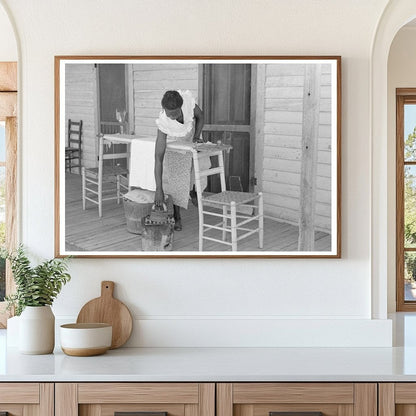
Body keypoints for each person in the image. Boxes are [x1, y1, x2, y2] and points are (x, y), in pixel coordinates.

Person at [154, 90, 204, 231]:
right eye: (169, 113)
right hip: (175, 143)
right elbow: (158, 158)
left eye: (175, 113)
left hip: (191, 135)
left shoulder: (188, 103)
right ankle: (177, 216)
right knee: (177, 178)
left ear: (181, 107)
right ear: (164, 109)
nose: (172, 116)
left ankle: (193, 190)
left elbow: (200, 117)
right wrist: (159, 189)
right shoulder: (164, 123)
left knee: (199, 167)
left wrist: (197, 136)